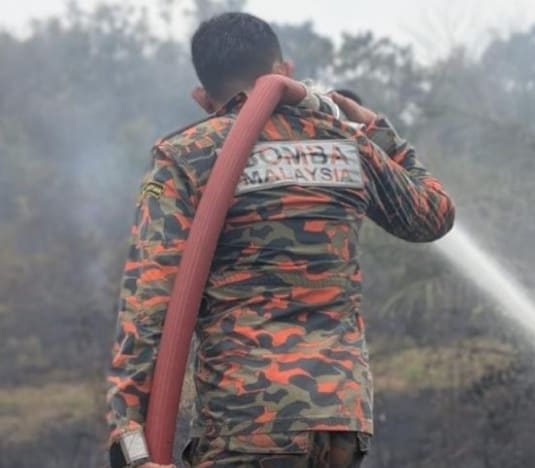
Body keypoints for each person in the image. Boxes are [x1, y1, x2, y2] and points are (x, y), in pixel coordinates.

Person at [106, 11, 455, 468]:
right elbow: (433, 215)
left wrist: (128, 439)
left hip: (246, 419)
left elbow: (149, 302)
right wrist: (377, 130)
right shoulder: (347, 143)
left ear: (202, 97)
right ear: (284, 72)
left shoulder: (185, 155)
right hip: (339, 420)